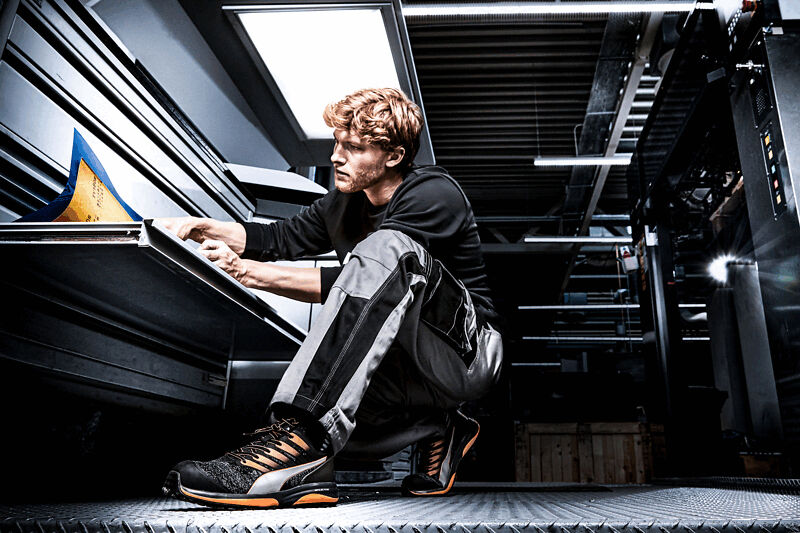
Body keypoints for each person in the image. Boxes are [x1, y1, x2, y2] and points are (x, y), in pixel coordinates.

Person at [158, 88, 503, 509]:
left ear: (393, 156)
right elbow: (277, 237)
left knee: (385, 249)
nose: (337, 157)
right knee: (344, 434)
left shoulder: (434, 193)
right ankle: (437, 426)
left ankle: (297, 439)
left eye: (354, 148)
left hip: (467, 354)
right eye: (337, 144)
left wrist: (247, 272)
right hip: (408, 368)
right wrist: (201, 227)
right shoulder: (344, 201)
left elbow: (368, 274)